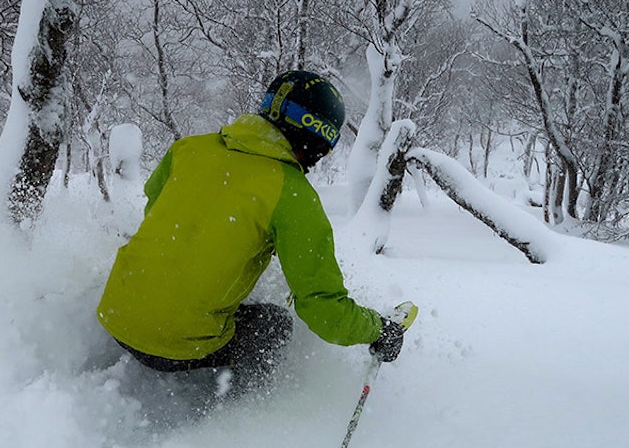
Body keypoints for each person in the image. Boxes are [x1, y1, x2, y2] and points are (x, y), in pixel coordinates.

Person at [96, 69, 416, 390]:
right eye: (319, 154)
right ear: (314, 141)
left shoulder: (188, 149)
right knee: (274, 325)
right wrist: (379, 330)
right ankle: (244, 413)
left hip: (114, 314)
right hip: (177, 345)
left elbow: (157, 209)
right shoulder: (292, 194)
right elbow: (323, 310)